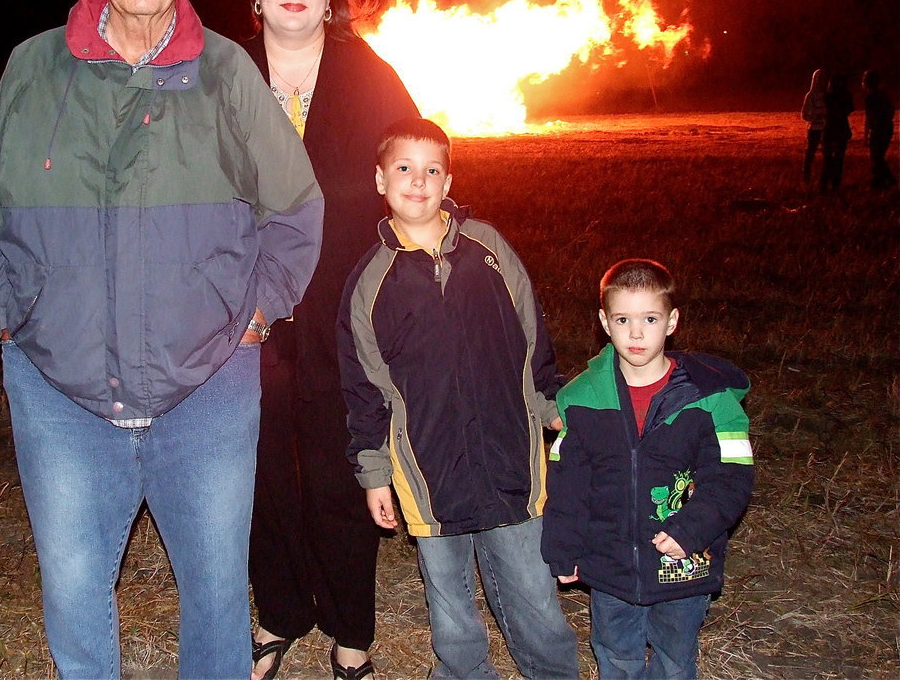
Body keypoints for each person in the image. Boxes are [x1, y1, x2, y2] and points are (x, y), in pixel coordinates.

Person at [0, 0, 323, 680]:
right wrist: (8, 321)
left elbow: (295, 211)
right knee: (77, 590)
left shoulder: (227, 73)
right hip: (61, 395)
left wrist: (254, 315)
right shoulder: (33, 69)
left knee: (219, 593)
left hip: (208, 392)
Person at [242, 0, 422, 680]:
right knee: (256, 469)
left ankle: (351, 628)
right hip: (242, 311)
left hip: (343, 311)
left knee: (340, 467)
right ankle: (279, 610)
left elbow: (417, 176)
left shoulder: (368, 76)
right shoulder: (223, 73)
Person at [338, 117, 578, 680]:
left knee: (532, 588)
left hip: (508, 452)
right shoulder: (370, 282)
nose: (417, 181)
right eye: (403, 168)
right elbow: (364, 386)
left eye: (432, 170)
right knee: (449, 601)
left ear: (448, 182)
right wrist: (373, 472)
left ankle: (552, 671)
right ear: (379, 180)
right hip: (429, 466)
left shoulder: (488, 248)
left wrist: (550, 407)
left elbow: (532, 333)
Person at [541, 258, 754, 680]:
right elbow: (568, 482)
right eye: (623, 318)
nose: (636, 333)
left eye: (650, 318)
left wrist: (690, 530)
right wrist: (562, 548)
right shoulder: (581, 398)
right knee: (616, 656)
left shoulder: (709, 399)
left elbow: (731, 476)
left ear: (672, 321)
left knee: (675, 660)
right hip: (611, 565)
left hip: (682, 562)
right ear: (604, 321)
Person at [861, 69, 896, 189]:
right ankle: (879, 181)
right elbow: (891, 111)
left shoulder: (870, 98)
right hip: (887, 128)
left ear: (866, 83)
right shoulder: (884, 95)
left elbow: (869, 118)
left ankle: (886, 180)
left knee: (876, 157)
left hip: (878, 130)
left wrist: (866, 136)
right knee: (878, 156)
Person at [820, 71, 854, 193]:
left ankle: (824, 184)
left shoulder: (827, 96)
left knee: (828, 158)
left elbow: (824, 111)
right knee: (838, 159)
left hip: (829, 129)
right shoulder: (845, 96)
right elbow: (850, 109)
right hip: (841, 129)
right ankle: (835, 184)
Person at [800, 68, 828, 183]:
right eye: (819, 79)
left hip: (826, 128)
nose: (821, 82)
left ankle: (825, 176)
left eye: (823, 79)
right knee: (810, 151)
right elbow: (804, 114)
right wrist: (813, 118)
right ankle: (806, 174)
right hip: (814, 129)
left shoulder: (828, 95)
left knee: (827, 153)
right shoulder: (810, 96)